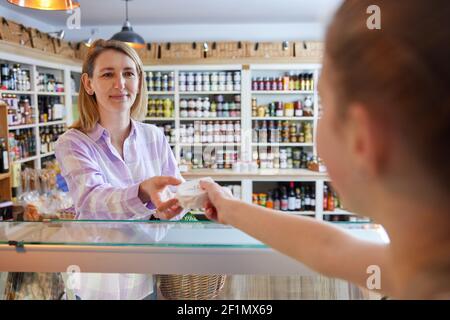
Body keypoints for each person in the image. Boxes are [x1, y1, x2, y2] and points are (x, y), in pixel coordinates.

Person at [199, 0, 450, 299]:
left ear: (360, 139)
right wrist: (230, 208)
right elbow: (329, 248)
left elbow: (330, 250)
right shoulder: (416, 265)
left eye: (324, 105)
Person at [55, 39, 186, 300]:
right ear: (88, 84)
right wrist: (144, 193)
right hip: (94, 281)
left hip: (143, 277)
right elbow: (93, 200)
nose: (120, 84)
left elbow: (175, 196)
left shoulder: (154, 136)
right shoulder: (73, 143)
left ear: (139, 80)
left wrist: (171, 209)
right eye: (107, 74)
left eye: (128, 73)